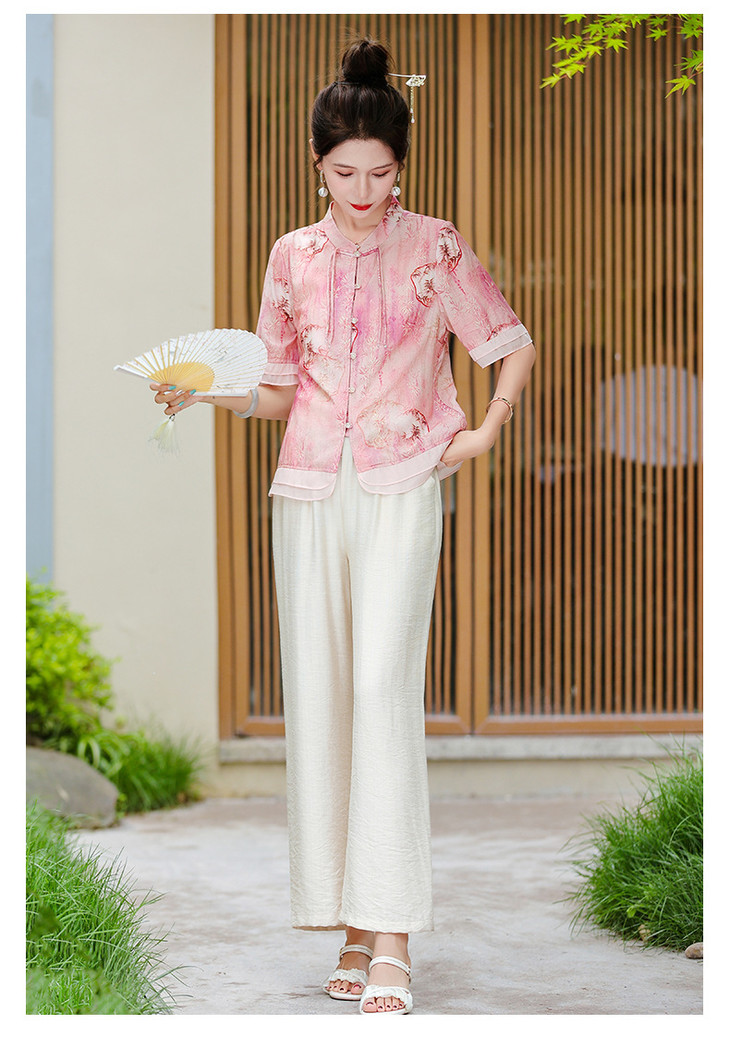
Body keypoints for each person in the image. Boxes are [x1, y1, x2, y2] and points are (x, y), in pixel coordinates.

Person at [151, 38, 536, 1015]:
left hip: (402, 484)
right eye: (345, 173)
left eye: (381, 172)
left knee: (379, 690)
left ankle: (393, 934)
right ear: (317, 164)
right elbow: (280, 388)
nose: (364, 191)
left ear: (401, 166)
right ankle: (353, 928)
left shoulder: (435, 244)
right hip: (310, 490)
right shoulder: (292, 255)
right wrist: (203, 393)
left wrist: (483, 432)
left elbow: (509, 343)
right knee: (324, 698)